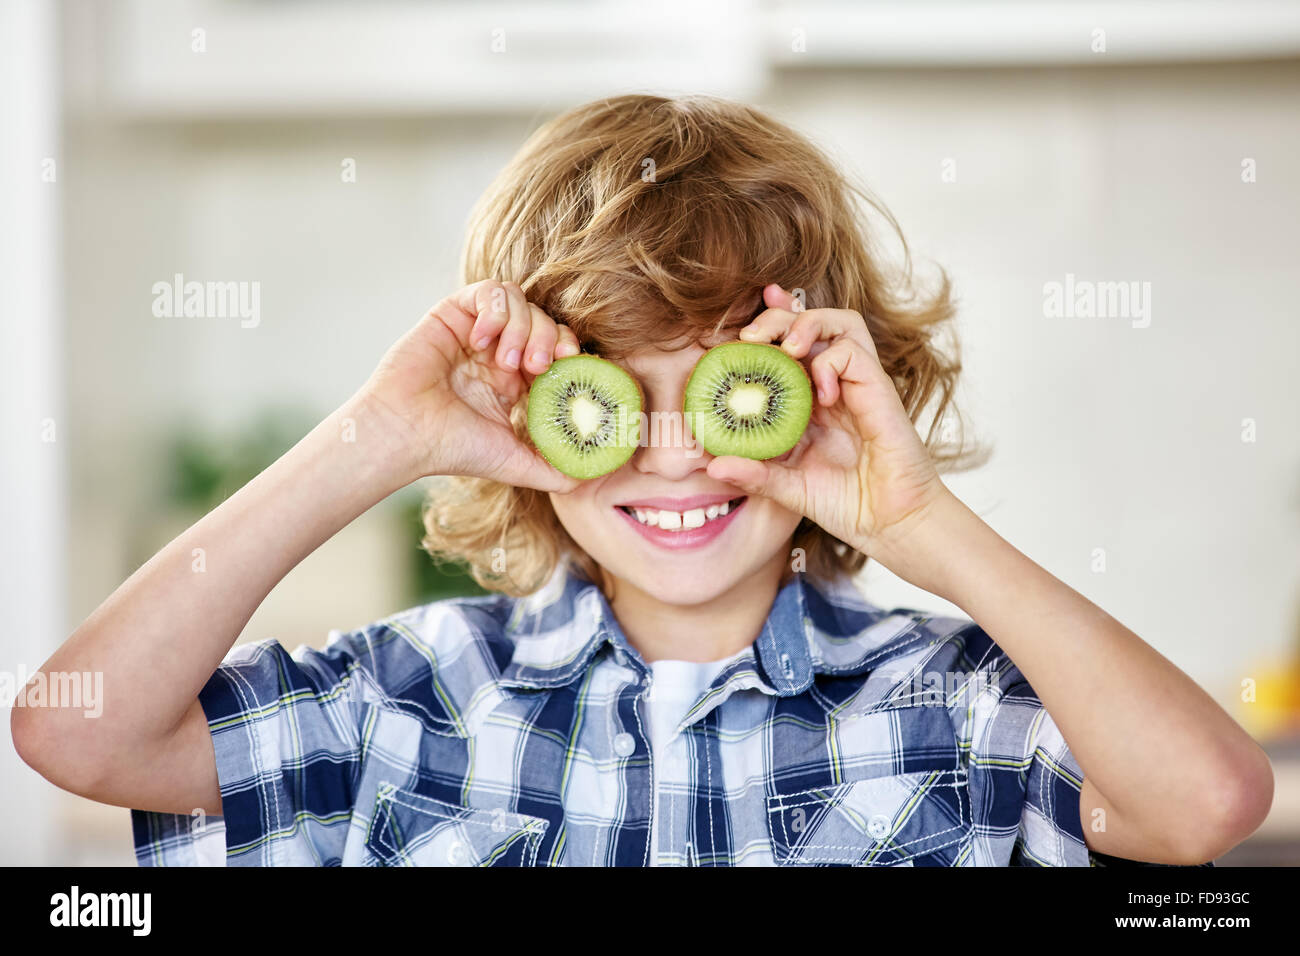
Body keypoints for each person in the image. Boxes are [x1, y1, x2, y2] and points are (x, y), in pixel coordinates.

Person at [13, 93, 1272, 866]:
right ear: (525, 407)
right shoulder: (406, 699)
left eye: (728, 389)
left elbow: (1206, 801)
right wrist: (378, 437)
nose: (672, 450)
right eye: (609, 397)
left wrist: (917, 518)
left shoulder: (957, 705)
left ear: (833, 392)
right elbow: (74, 726)